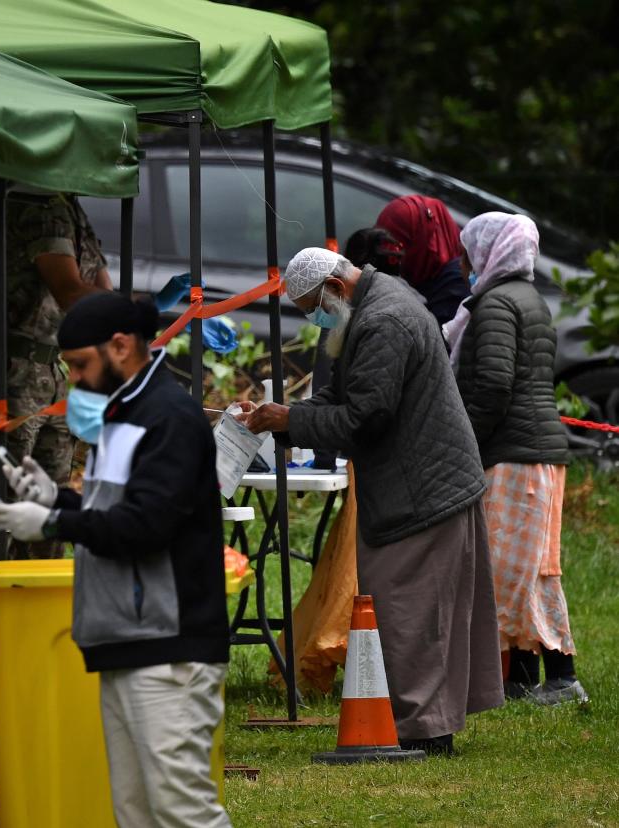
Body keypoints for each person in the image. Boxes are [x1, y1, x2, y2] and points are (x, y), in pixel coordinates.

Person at [238, 247, 504, 755]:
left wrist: (289, 422)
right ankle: (419, 721)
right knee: (407, 609)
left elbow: (365, 417)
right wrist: (285, 413)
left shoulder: (383, 321)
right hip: (421, 480)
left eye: (312, 307)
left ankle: (426, 732)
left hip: (424, 489)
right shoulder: (368, 308)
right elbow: (340, 396)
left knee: (413, 613)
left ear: (336, 289)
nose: (312, 320)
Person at [0, 292, 231, 827]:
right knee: (136, 812)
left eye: (79, 364)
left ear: (120, 346)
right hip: (128, 639)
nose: (73, 378)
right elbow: (116, 510)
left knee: (182, 811)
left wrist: (54, 523)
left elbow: (147, 526)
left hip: (169, 644)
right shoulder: (122, 415)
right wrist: (58, 500)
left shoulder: (168, 417)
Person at [446, 213, 588, 705]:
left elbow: (492, 385)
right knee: (530, 571)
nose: (462, 262)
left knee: (509, 573)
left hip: (514, 455)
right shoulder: (529, 298)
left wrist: (465, 442)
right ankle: (523, 678)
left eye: (467, 252)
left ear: (489, 252)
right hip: (537, 453)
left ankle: (561, 679)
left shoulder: (495, 305)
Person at [0, 192, 113, 565]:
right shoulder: (36, 199)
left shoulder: (72, 208)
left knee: (48, 504)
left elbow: (101, 290)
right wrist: (132, 313)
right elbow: (71, 292)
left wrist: (148, 312)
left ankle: (36, 608)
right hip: (7, 369)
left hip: (47, 368)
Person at [376, 194, 470, 327]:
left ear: (424, 240)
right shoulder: (427, 274)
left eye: (399, 245)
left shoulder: (457, 285)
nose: (391, 256)